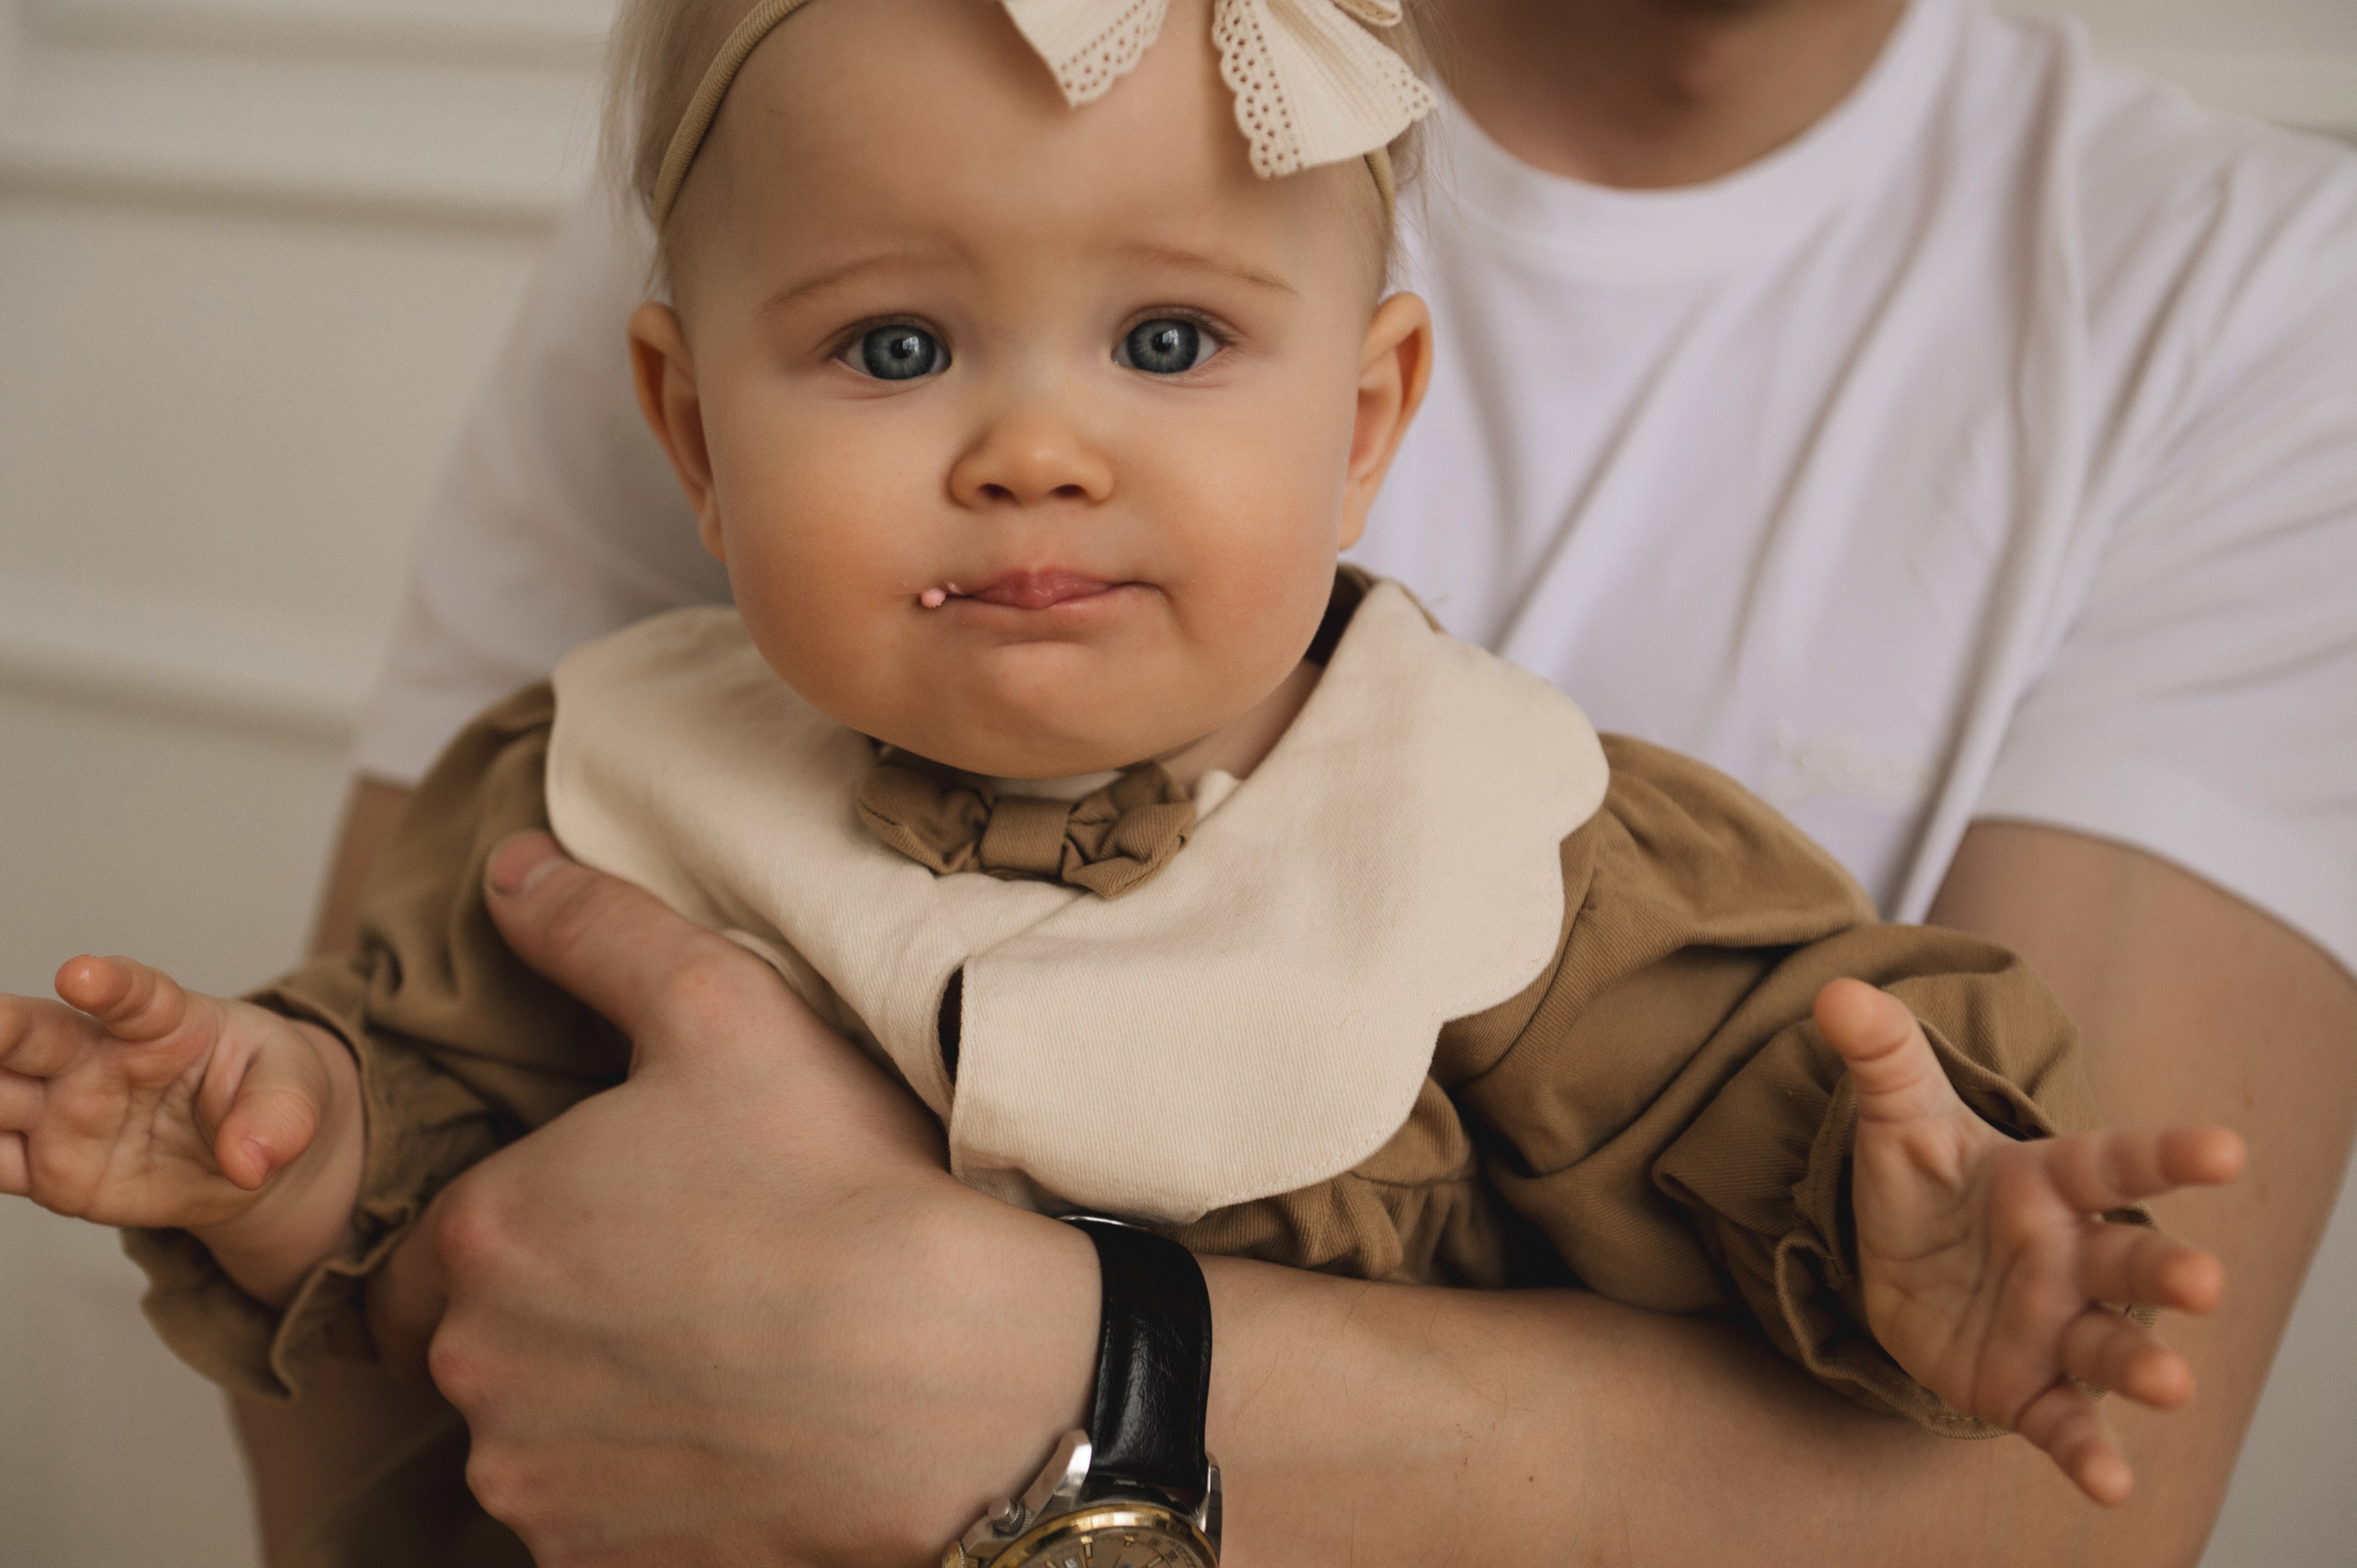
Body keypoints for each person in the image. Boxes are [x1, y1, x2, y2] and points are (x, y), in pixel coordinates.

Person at [0, 0, 2252, 1557]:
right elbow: (420, 1180)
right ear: (688, 431)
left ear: (1365, 417)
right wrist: (271, 1146)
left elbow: (1749, 1092)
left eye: (1167, 342)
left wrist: (1919, 1232)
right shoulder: (601, 796)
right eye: (895, 347)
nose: (1035, 447)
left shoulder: (1497, 838)